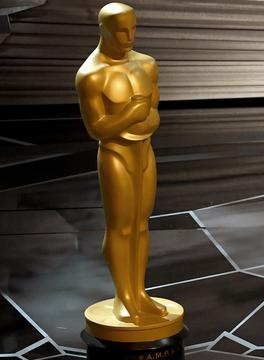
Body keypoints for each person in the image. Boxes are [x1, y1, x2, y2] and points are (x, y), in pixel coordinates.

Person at [75, 2, 167, 325]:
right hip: (115, 154)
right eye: (120, 31)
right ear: (103, 30)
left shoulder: (147, 64)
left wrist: (140, 119)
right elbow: (96, 128)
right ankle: (123, 296)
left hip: (144, 152)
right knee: (121, 226)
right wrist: (131, 114)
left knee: (142, 223)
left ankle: (139, 291)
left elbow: (154, 114)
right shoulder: (91, 75)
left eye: (133, 29)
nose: (129, 37)